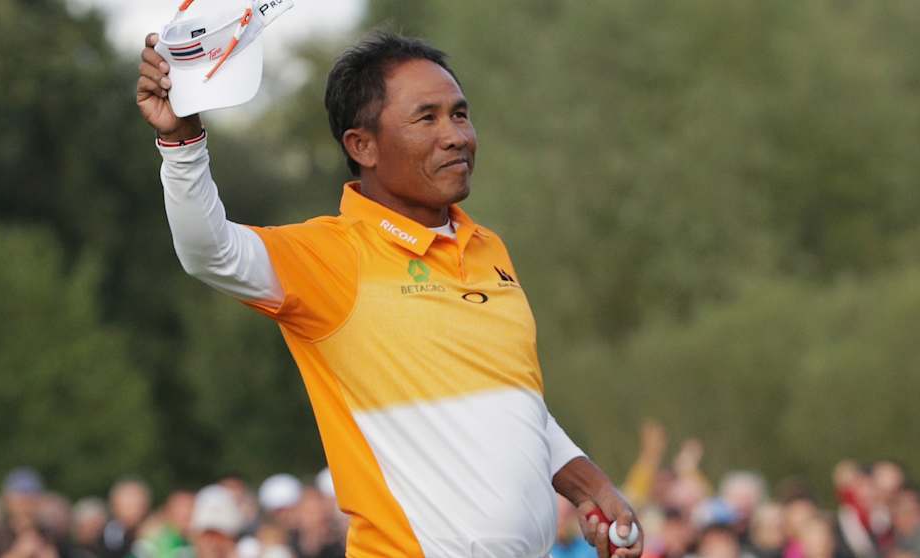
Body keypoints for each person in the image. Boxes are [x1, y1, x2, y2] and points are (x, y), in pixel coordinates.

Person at [136, 26, 641, 558]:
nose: (456, 136)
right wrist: (181, 140)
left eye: (460, 114)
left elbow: (515, 406)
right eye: (427, 117)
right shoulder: (331, 254)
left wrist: (590, 487)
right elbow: (208, 251)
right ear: (363, 146)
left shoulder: (490, 248)